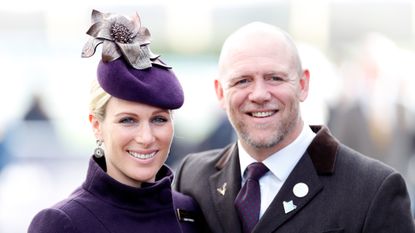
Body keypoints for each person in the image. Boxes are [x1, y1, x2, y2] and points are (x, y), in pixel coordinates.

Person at [174, 22, 415, 233]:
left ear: (303, 84)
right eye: (242, 81)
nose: (259, 94)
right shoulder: (192, 178)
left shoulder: (374, 190)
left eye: (274, 78)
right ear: (220, 92)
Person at [28, 9, 204, 233]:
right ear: (96, 126)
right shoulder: (64, 223)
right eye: (128, 120)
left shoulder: (188, 212)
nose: (146, 137)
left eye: (159, 119)